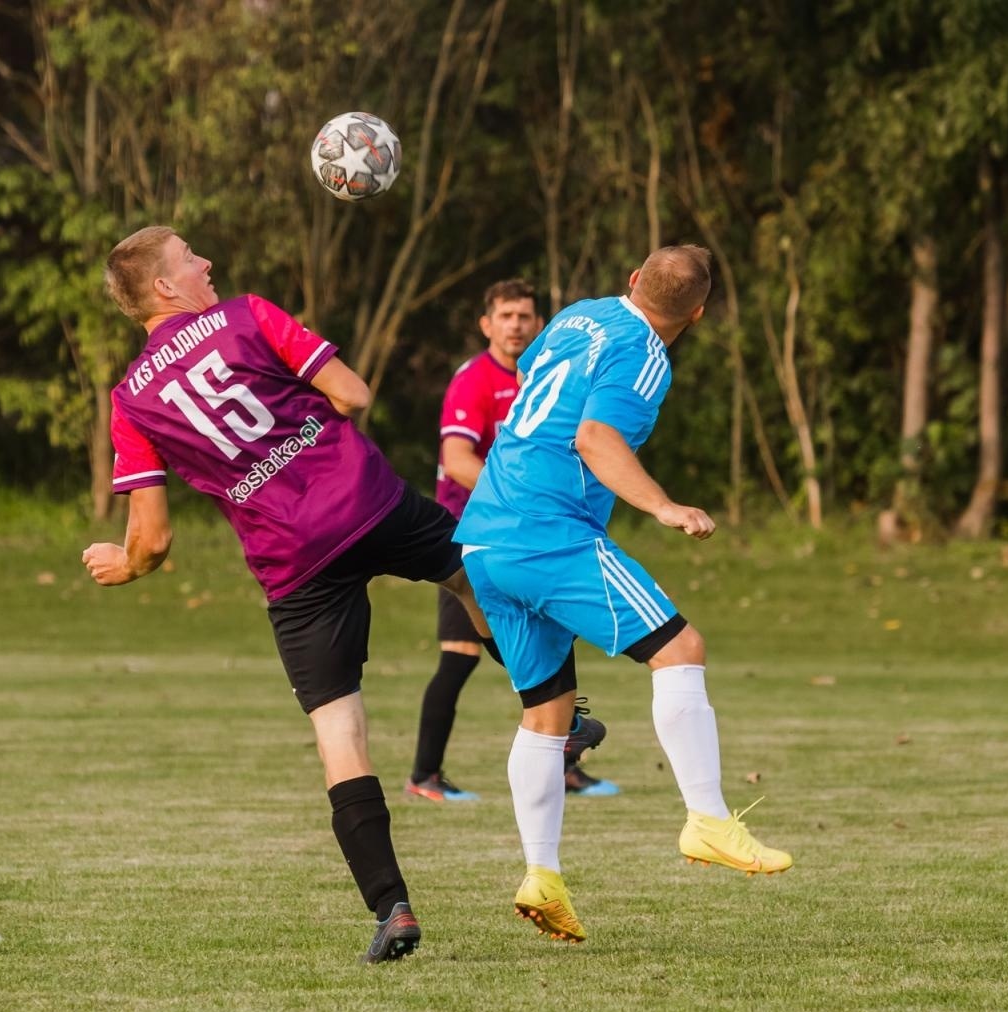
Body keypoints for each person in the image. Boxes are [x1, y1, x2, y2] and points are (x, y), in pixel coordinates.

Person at [82, 225, 494, 964]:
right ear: (166, 288)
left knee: (340, 730)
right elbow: (354, 394)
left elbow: (153, 539)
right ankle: (565, 715)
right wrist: (296, 418)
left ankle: (392, 906)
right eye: (189, 258)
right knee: (474, 577)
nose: (207, 262)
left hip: (293, 560)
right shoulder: (245, 316)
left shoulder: (131, 401)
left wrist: (126, 566)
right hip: (366, 501)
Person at [454, 245, 793, 943]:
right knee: (681, 648)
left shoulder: (582, 315)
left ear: (633, 279)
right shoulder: (646, 355)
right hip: (550, 536)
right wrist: (663, 505)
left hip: (485, 536)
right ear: (697, 315)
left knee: (548, 712)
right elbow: (595, 435)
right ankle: (707, 818)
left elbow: (539, 390)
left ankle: (541, 876)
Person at [408, 280, 619, 803]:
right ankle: (424, 776)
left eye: (525, 315)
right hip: (476, 533)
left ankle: (564, 760)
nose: (516, 324)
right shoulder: (474, 380)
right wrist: (520, 500)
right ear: (487, 324)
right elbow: (457, 461)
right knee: (458, 657)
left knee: (554, 639)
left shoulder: (551, 371)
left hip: (534, 535)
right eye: (505, 315)